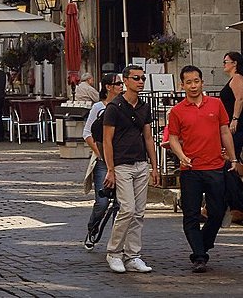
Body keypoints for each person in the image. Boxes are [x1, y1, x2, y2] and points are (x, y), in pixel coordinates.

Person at [167, 65, 236, 273]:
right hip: (190, 170)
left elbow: (224, 131)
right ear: (182, 85)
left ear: (202, 82)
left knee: (216, 212)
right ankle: (199, 256)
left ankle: (203, 244)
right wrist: (181, 156)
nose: (193, 85)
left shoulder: (216, 104)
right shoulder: (177, 111)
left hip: (215, 167)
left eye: (196, 81)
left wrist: (233, 159)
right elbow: (173, 138)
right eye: (188, 82)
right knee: (190, 214)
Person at [102, 64, 160, 274]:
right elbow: (107, 141)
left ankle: (133, 255)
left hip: (140, 163)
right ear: (125, 81)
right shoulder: (114, 107)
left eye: (142, 78)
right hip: (121, 165)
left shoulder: (144, 107)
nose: (140, 82)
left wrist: (154, 166)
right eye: (136, 78)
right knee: (127, 209)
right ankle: (114, 252)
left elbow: (148, 137)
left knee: (139, 212)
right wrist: (110, 169)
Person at [81, 73, 123, 250]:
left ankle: (116, 241)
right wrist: (99, 152)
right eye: (118, 83)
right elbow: (87, 133)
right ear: (108, 87)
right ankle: (93, 227)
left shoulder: (123, 106)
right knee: (102, 202)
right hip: (103, 161)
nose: (122, 86)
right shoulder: (98, 107)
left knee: (121, 204)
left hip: (121, 160)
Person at [219, 51, 243, 158]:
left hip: (237, 123)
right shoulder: (234, 79)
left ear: (234, 63)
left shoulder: (237, 78)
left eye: (226, 61)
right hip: (233, 121)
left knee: (233, 153)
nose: (224, 64)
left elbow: (240, 98)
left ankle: (234, 173)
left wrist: (235, 119)